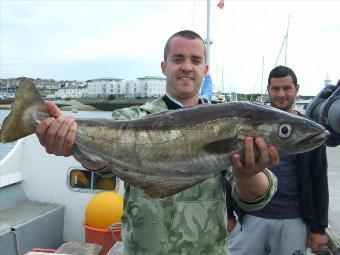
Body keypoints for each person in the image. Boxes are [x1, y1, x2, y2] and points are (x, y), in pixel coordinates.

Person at [35, 30, 279, 254]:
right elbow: (105, 165)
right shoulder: (130, 118)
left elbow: (253, 197)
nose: (186, 67)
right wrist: (70, 143)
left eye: (195, 60)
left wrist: (248, 175)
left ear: (205, 70)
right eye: (178, 59)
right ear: (164, 67)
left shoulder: (228, 124)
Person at [226, 65, 329, 255]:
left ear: (296, 89)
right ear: (268, 90)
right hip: (249, 218)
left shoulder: (309, 133)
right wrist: (228, 214)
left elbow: (319, 179)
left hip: (293, 220)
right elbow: (230, 170)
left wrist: (319, 228)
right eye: (275, 88)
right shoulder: (248, 127)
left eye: (287, 88)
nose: (281, 94)